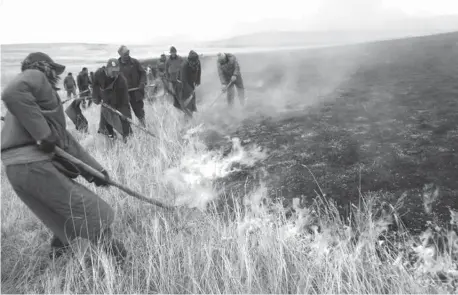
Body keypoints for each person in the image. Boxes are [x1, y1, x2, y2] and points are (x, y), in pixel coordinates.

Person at [0, 52, 127, 265]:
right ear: (44, 68)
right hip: (32, 166)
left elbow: (65, 142)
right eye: (53, 70)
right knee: (89, 209)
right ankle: (118, 258)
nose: (55, 76)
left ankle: (57, 256)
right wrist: (42, 134)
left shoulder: (32, 103)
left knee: (61, 212)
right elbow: (11, 92)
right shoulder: (36, 77)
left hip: (18, 170)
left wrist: (96, 173)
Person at [92, 59, 133, 143]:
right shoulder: (99, 74)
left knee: (125, 125)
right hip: (106, 103)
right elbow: (95, 85)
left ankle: (128, 141)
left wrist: (126, 115)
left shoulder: (121, 81)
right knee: (105, 127)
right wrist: (96, 96)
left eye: (117, 71)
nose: (115, 74)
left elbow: (125, 100)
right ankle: (112, 140)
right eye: (113, 71)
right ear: (107, 68)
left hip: (118, 103)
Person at [117, 45, 147, 127]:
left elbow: (143, 73)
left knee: (140, 113)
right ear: (120, 55)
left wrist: (142, 83)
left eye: (128, 53)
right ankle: (129, 133)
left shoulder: (135, 62)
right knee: (125, 115)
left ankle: (144, 127)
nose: (127, 56)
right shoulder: (116, 65)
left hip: (136, 92)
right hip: (123, 95)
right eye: (125, 55)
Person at [176, 50, 201, 118]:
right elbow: (184, 81)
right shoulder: (184, 66)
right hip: (181, 83)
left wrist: (198, 80)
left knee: (192, 97)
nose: (194, 63)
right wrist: (190, 91)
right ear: (189, 61)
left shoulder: (197, 62)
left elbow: (199, 71)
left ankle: (191, 113)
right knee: (185, 99)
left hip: (190, 81)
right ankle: (186, 116)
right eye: (193, 62)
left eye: (195, 61)